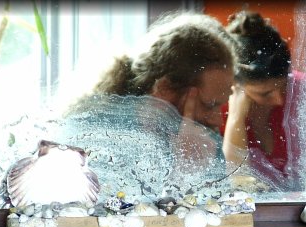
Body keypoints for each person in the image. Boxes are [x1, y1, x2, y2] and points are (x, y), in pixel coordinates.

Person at [59, 11, 238, 199]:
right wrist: (183, 172)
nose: (218, 119)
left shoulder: (202, 142)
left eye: (221, 106)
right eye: (209, 105)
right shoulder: (99, 133)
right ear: (164, 90)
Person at [220, 11, 305, 189]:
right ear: (235, 84)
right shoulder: (217, 107)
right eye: (265, 93)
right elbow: (236, 184)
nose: (279, 100)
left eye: (282, 86)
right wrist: (235, 117)